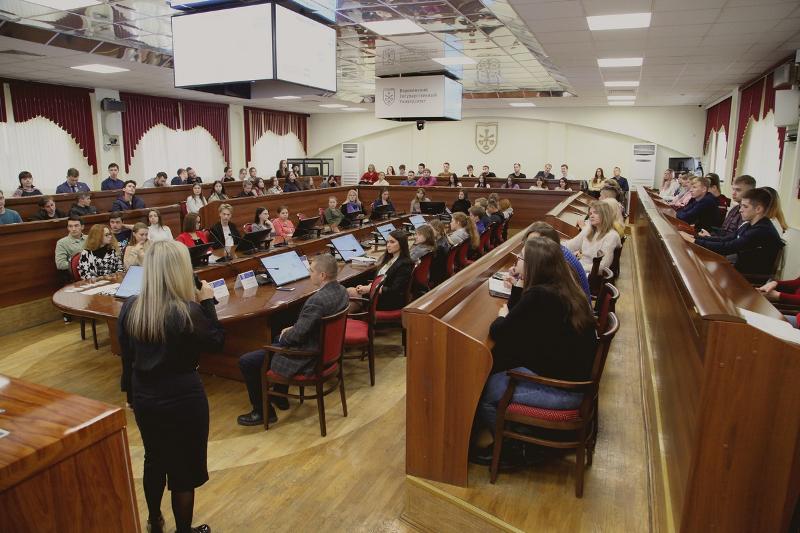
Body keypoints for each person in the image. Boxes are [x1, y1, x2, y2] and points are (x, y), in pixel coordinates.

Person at [118, 240, 222, 533]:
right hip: (183, 397)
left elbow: (127, 358)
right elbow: (217, 342)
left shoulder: (130, 307)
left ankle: (154, 521)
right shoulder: (187, 311)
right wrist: (208, 302)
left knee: (154, 459)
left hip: (145, 396)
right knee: (183, 470)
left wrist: (130, 395)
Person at [474, 237, 596, 460]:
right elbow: (523, 325)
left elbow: (500, 330)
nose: (516, 262)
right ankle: (518, 435)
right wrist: (520, 286)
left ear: (533, 265)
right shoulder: (565, 288)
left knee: (487, 393)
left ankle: (512, 449)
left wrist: (503, 316)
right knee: (504, 361)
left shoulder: (540, 295)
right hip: (576, 383)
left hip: (565, 393)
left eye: (520, 258)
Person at [237, 254, 348, 426]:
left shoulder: (317, 301)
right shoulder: (341, 291)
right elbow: (306, 328)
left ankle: (262, 412)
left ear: (322, 275)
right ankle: (280, 397)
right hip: (327, 354)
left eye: (311, 271)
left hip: (308, 358)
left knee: (247, 361)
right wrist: (292, 330)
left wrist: (286, 334)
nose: (309, 273)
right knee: (279, 337)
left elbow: (297, 336)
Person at [687, 188, 784, 276]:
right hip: (739, 268)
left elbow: (727, 247)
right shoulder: (749, 224)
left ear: (758, 209)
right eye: (741, 206)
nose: (740, 210)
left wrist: (694, 241)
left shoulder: (761, 230)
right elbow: (725, 239)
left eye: (745, 206)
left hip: (748, 276)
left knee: (697, 271)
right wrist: (694, 237)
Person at [506, 222, 591, 300]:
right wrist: (519, 274)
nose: (531, 246)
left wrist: (520, 282)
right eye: (529, 242)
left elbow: (540, 295)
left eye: (537, 242)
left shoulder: (559, 262)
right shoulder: (555, 252)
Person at [347, 231, 413, 311]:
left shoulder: (405, 264)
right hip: (378, 294)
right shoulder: (390, 258)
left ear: (402, 244)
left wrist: (370, 289)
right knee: (350, 294)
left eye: (392, 242)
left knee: (350, 293)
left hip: (388, 300)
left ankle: (344, 317)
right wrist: (369, 286)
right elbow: (381, 279)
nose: (388, 245)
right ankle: (346, 317)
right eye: (387, 242)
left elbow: (394, 290)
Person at [565, 201, 622, 272]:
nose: (591, 216)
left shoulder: (611, 236)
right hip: (581, 266)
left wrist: (577, 269)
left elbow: (603, 265)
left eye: (596, 213)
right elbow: (571, 245)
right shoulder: (588, 230)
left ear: (605, 214)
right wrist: (555, 243)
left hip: (590, 273)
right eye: (590, 213)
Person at [55, 216, 86, 282]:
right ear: (68, 228)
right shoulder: (62, 242)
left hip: (93, 273)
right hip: (75, 276)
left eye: (76, 226)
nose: (73, 229)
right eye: (70, 226)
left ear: (82, 227)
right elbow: (60, 264)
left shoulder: (89, 238)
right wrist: (80, 264)